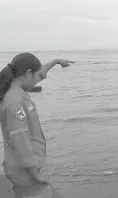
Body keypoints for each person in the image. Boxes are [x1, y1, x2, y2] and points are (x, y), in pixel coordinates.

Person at [0, 52, 75, 198]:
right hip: (29, 175)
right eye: (37, 77)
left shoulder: (15, 91)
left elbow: (39, 72)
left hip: (24, 170)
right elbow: (20, 142)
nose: (38, 81)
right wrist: (38, 173)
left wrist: (55, 62)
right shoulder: (15, 102)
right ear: (28, 73)